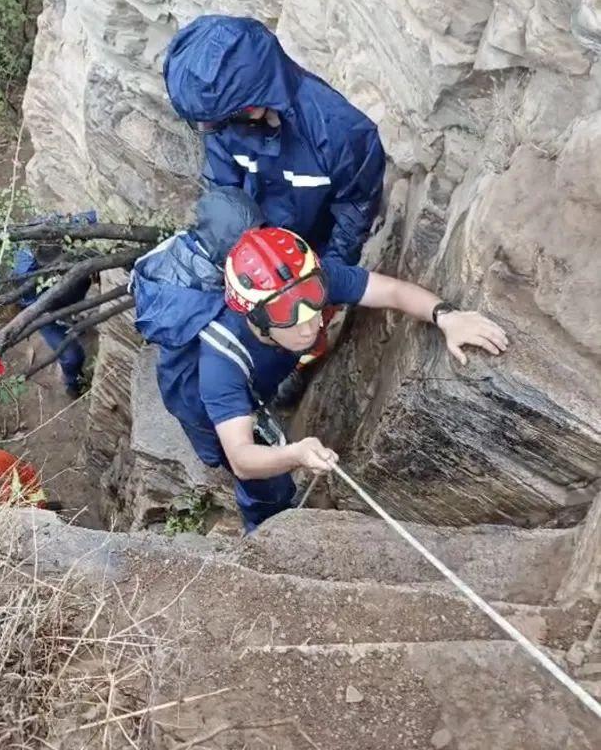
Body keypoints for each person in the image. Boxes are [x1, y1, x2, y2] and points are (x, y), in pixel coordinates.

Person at [133, 209, 508, 533]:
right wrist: (295, 454)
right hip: (202, 404)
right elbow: (244, 459)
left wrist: (447, 316)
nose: (308, 324)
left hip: (262, 378)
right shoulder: (219, 366)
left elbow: (392, 292)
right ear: (255, 317)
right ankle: (262, 528)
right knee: (254, 475)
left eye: (313, 302)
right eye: (286, 314)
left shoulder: (302, 281)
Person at [164, 14, 386, 406]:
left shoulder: (342, 135)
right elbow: (222, 187)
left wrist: (322, 285)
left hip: (310, 247)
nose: (209, 130)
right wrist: (237, 259)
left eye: (211, 122)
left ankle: (301, 360)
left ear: (251, 106)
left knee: (303, 321)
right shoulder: (228, 125)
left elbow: (353, 215)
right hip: (255, 239)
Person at [12, 247, 91, 398]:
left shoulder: (67, 228)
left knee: (80, 285)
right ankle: (72, 384)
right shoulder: (24, 272)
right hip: (44, 307)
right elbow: (35, 308)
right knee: (72, 356)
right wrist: (55, 316)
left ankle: (73, 316)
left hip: (70, 290)